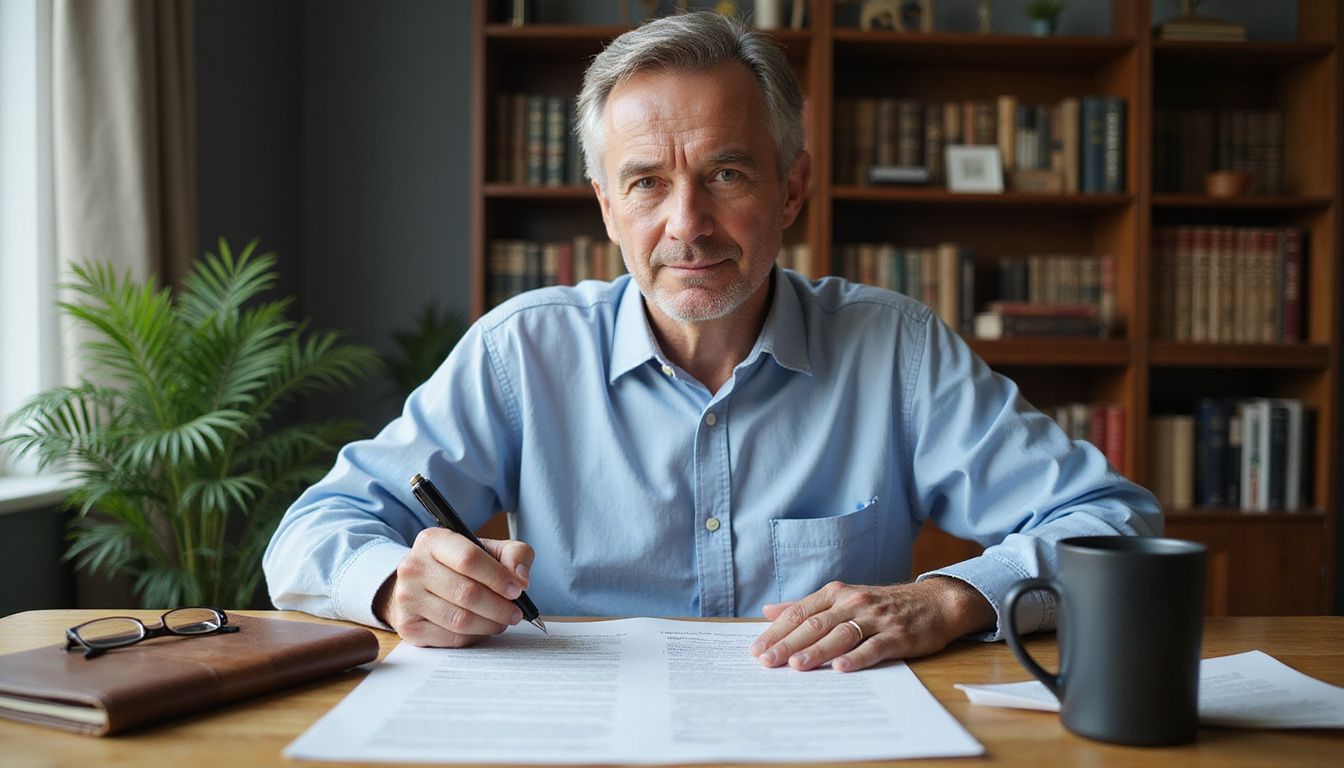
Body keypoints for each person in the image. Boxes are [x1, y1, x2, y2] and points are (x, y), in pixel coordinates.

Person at [263, 11, 1160, 673]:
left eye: (725, 173)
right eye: (647, 183)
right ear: (608, 207)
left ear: (791, 187)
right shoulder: (521, 355)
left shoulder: (896, 352)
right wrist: (392, 585)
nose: (686, 225)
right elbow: (312, 533)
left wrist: (951, 597)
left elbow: (1116, 524)